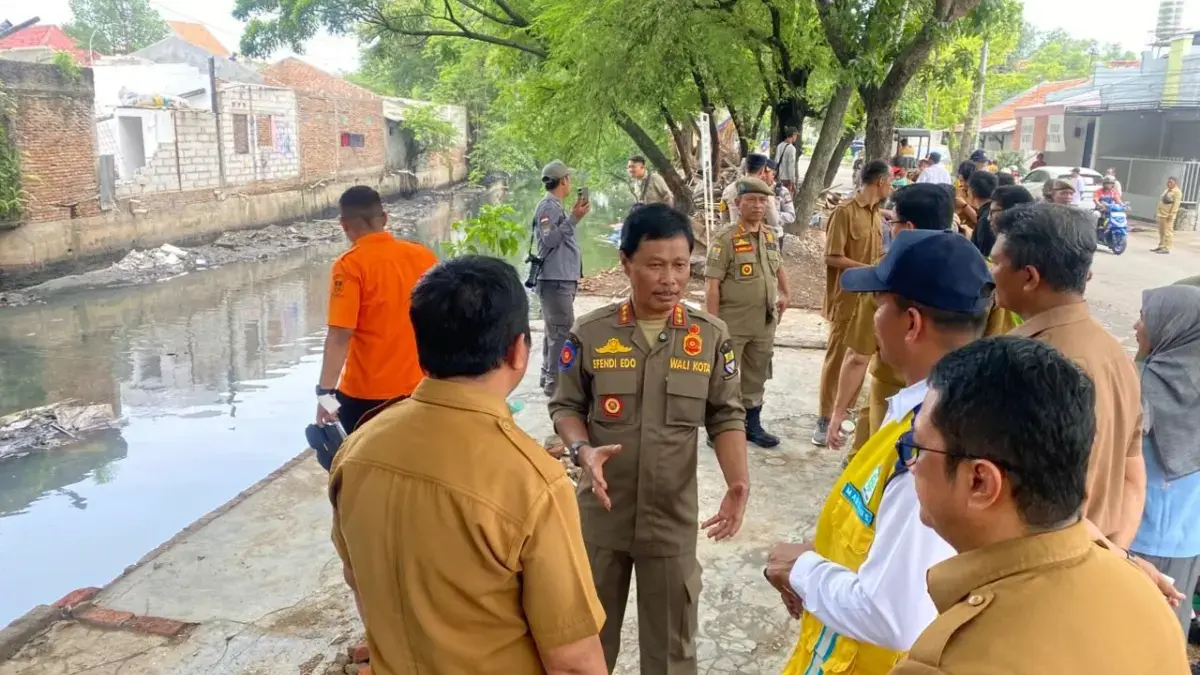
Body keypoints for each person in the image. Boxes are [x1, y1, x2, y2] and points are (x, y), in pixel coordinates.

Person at [328, 256, 608, 675]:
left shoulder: (355, 452)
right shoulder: (531, 482)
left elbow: (360, 584)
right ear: (519, 350)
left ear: (421, 350)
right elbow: (572, 663)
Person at [888, 336, 1189, 675]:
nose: (912, 465)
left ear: (980, 483)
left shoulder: (948, 664)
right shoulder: (1144, 600)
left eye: (919, 447)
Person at [768, 229, 995, 675]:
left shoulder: (930, 447)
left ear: (911, 324)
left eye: (878, 307)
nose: (873, 320)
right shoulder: (929, 411)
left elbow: (895, 617)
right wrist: (815, 553)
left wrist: (803, 572)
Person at [550, 204, 750, 675]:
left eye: (680, 265)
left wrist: (737, 482)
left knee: (672, 653)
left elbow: (725, 414)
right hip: (601, 517)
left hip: (671, 519)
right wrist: (582, 449)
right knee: (587, 646)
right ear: (626, 263)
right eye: (655, 264)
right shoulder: (592, 333)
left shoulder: (710, 337)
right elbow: (566, 406)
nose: (670, 279)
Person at [990, 203, 1145, 547]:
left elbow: (1035, 501)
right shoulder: (1115, 354)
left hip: (1040, 560)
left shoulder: (1027, 365)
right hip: (1092, 557)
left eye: (996, 262)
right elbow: (1133, 473)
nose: (991, 273)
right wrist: (1114, 555)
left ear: (1029, 277)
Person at [316, 185, 438, 435]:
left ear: (344, 225)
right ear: (384, 218)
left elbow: (339, 336)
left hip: (366, 398)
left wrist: (325, 397)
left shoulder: (349, 266)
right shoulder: (424, 256)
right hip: (421, 389)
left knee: (362, 467)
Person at [1132, 284, 1200, 636]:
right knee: (1166, 634)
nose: (1136, 326)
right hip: (1188, 540)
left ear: (1171, 325)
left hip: (1133, 538)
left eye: (1145, 317)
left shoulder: (1138, 384)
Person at [706, 178, 791, 448]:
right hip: (733, 323)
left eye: (762, 200)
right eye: (752, 200)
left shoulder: (768, 235)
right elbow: (711, 284)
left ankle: (752, 425)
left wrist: (786, 294)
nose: (758, 205)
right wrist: (713, 324)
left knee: (757, 374)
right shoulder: (726, 239)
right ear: (738, 204)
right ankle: (719, 428)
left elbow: (778, 267)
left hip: (764, 322)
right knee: (725, 377)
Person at [814, 159, 890, 446]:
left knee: (860, 359)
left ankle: (843, 414)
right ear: (880, 182)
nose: (891, 187)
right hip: (846, 299)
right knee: (838, 361)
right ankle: (823, 419)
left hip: (870, 300)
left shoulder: (875, 214)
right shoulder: (844, 213)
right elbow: (831, 256)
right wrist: (867, 271)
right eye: (890, 182)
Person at [533, 160, 591, 397]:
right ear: (564, 181)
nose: (571, 183)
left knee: (554, 330)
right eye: (569, 178)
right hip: (554, 281)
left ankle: (549, 375)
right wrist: (574, 219)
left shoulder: (555, 206)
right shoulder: (548, 208)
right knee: (561, 332)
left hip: (560, 279)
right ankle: (556, 384)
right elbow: (549, 240)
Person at [722, 153, 781, 231]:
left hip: (733, 235)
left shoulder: (728, 189)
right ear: (762, 170)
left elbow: (723, 217)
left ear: (746, 168)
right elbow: (774, 221)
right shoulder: (763, 191)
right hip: (754, 236)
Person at [965, 171, 998, 257]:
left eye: (967, 189)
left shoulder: (986, 219)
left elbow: (983, 255)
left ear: (972, 192)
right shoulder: (992, 211)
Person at [764, 160, 797, 235]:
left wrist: (773, 215)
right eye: (760, 172)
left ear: (773, 174)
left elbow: (791, 216)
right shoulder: (753, 189)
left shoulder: (781, 191)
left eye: (766, 172)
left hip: (774, 234)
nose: (763, 175)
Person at [1155, 176, 1184, 254]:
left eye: (1171, 182)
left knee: (1168, 231)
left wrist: (1171, 214)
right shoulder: (1167, 190)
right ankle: (1161, 245)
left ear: (1175, 183)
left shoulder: (1177, 192)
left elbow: (1176, 204)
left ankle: (1167, 247)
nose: (1169, 183)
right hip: (1161, 214)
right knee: (1161, 231)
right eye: (1168, 182)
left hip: (1168, 215)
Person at [953, 161, 977, 230]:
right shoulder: (957, 190)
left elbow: (977, 219)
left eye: (965, 181)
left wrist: (964, 205)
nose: (962, 184)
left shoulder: (978, 194)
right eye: (960, 180)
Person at [774, 128, 799, 192]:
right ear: (793, 135)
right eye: (796, 135)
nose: (796, 137)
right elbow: (791, 166)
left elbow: (776, 161)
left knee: (779, 197)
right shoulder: (792, 148)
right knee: (787, 199)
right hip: (787, 180)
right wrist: (792, 181)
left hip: (779, 177)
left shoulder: (779, 145)